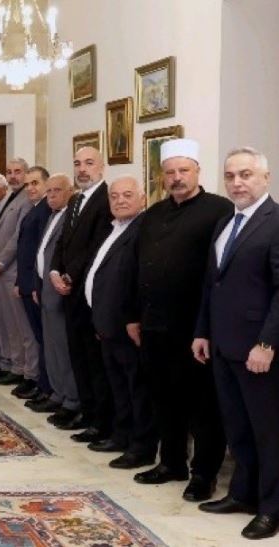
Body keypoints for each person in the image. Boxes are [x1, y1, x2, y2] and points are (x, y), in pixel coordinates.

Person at [131, 139, 233, 502]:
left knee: (202, 405)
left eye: (184, 171)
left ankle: (203, 474)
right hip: (154, 324)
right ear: (162, 176)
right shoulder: (153, 214)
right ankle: (171, 462)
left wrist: (206, 327)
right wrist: (134, 316)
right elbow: (138, 267)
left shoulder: (219, 210)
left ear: (197, 172)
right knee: (163, 398)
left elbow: (220, 273)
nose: (177, 178)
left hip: (195, 329)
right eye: (170, 172)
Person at [193, 147, 279, 540]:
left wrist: (267, 344)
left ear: (265, 178)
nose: (237, 183)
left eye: (246, 174)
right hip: (223, 345)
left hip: (259, 351)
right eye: (230, 176)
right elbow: (213, 284)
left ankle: (271, 508)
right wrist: (202, 331)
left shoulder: (275, 222)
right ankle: (242, 494)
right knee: (237, 427)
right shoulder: (226, 222)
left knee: (267, 433)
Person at [85, 175, 156, 470]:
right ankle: (121, 435)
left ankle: (141, 447)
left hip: (127, 324)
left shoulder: (143, 230)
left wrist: (132, 317)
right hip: (107, 322)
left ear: (143, 198)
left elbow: (140, 279)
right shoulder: (113, 228)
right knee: (118, 386)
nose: (120, 201)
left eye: (127, 195)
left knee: (137, 388)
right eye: (114, 196)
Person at [49, 146, 114, 444]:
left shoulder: (106, 199)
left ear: (102, 167)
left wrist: (70, 275)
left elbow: (95, 247)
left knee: (93, 360)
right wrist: (54, 270)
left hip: (87, 293)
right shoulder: (75, 200)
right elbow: (63, 241)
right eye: (78, 163)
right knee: (78, 357)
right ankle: (86, 413)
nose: (82, 169)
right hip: (68, 293)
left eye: (89, 163)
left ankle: (101, 421)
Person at [0, 159, 40, 392]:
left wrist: (0, 261)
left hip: (13, 270)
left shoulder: (27, 200)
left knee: (23, 327)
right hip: (0, 271)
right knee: (9, 325)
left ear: (26, 174)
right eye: (9, 172)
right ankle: (15, 365)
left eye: (18, 172)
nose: (13, 176)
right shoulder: (9, 197)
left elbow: (18, 236)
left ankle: (28, 371)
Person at [32, 174, 80, 419]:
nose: (51, 195)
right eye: (48, 191)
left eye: (57, 191)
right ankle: (57, 392)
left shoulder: (71, 217)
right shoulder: (52, 216)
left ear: (70, 192)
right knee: (50, 346)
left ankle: (71, 398)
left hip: (59, 292)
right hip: (44, 288)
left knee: (62, 347)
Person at [14, 167, 53, 400]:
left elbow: (41, 253)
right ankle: (40, 382)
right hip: (27, 284)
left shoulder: (47, 210)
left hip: (37, 286)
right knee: (37, 336)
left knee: (43, 338)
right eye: (27, 184)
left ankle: (45, 386)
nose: (30, 188)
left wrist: (34, 285)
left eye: (35, 183)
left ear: (46, 184)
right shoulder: (34, 209)